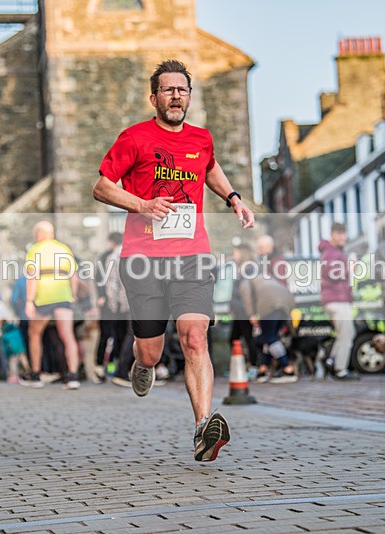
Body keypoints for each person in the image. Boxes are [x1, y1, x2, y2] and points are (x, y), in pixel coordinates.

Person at [94, 59, 254, 461]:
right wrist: (143, 205)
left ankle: (203, 427)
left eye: (182, 89)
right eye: (168, 89)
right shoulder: (134, 138)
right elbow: (101, 187)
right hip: (144, 259)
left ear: (189, 96)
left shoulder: (201, 139)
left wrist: (233, 198)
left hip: (192, 255)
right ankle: (141, 363)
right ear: (154, 97)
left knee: (195, 337)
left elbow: (210, 168)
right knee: (150, 350)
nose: (176, 95)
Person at [23, 221, 82, 390]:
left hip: (44, 297)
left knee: (34, 333)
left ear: (38, 234)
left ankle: (35, 375)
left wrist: (29, 300)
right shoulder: (64, 248)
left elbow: (32, 277)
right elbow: (74, 275)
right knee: (67, 335)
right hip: (63, 296)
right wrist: (73, 294)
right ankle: (73, 376)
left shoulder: (34, 250)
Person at [239, 254, 298, 383]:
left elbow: (246, 296)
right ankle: (263, 370)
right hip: (286, 303)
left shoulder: (247, 280)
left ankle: (288, 369)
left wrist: (251, 314)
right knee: (269, 337)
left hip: (270, 306)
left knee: (270, 338)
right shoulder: (265, 277)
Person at [318, 222, 359, 380]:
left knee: (345, 333)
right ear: (332, 235)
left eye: (344, 233)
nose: (342, 237)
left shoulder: (333, 252)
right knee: (347, 334)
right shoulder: (331, 253)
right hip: (337, 300)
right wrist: (351, 267)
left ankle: (330, 360)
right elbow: (334, 273)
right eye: (339, 234)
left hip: (337, 299)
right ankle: (340, 370)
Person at [94, 232, 123, 383]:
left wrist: (101, 296)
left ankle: (107, 366)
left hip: (111, 302)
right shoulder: (107, 256)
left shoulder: (107, 256)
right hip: (114, 303)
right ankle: (102, 366)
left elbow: (99, 278)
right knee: (109, 334)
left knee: (110, 335)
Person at [228, 244, 260, 374]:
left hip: (245, 310)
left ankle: (253, 366)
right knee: (234, 339)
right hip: (239, 310)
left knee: (248, 339)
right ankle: (242, 366)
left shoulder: (249, 269)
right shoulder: (241, 269)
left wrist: (251, 312)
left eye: (235, 253)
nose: (234, 256)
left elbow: (247, 292)